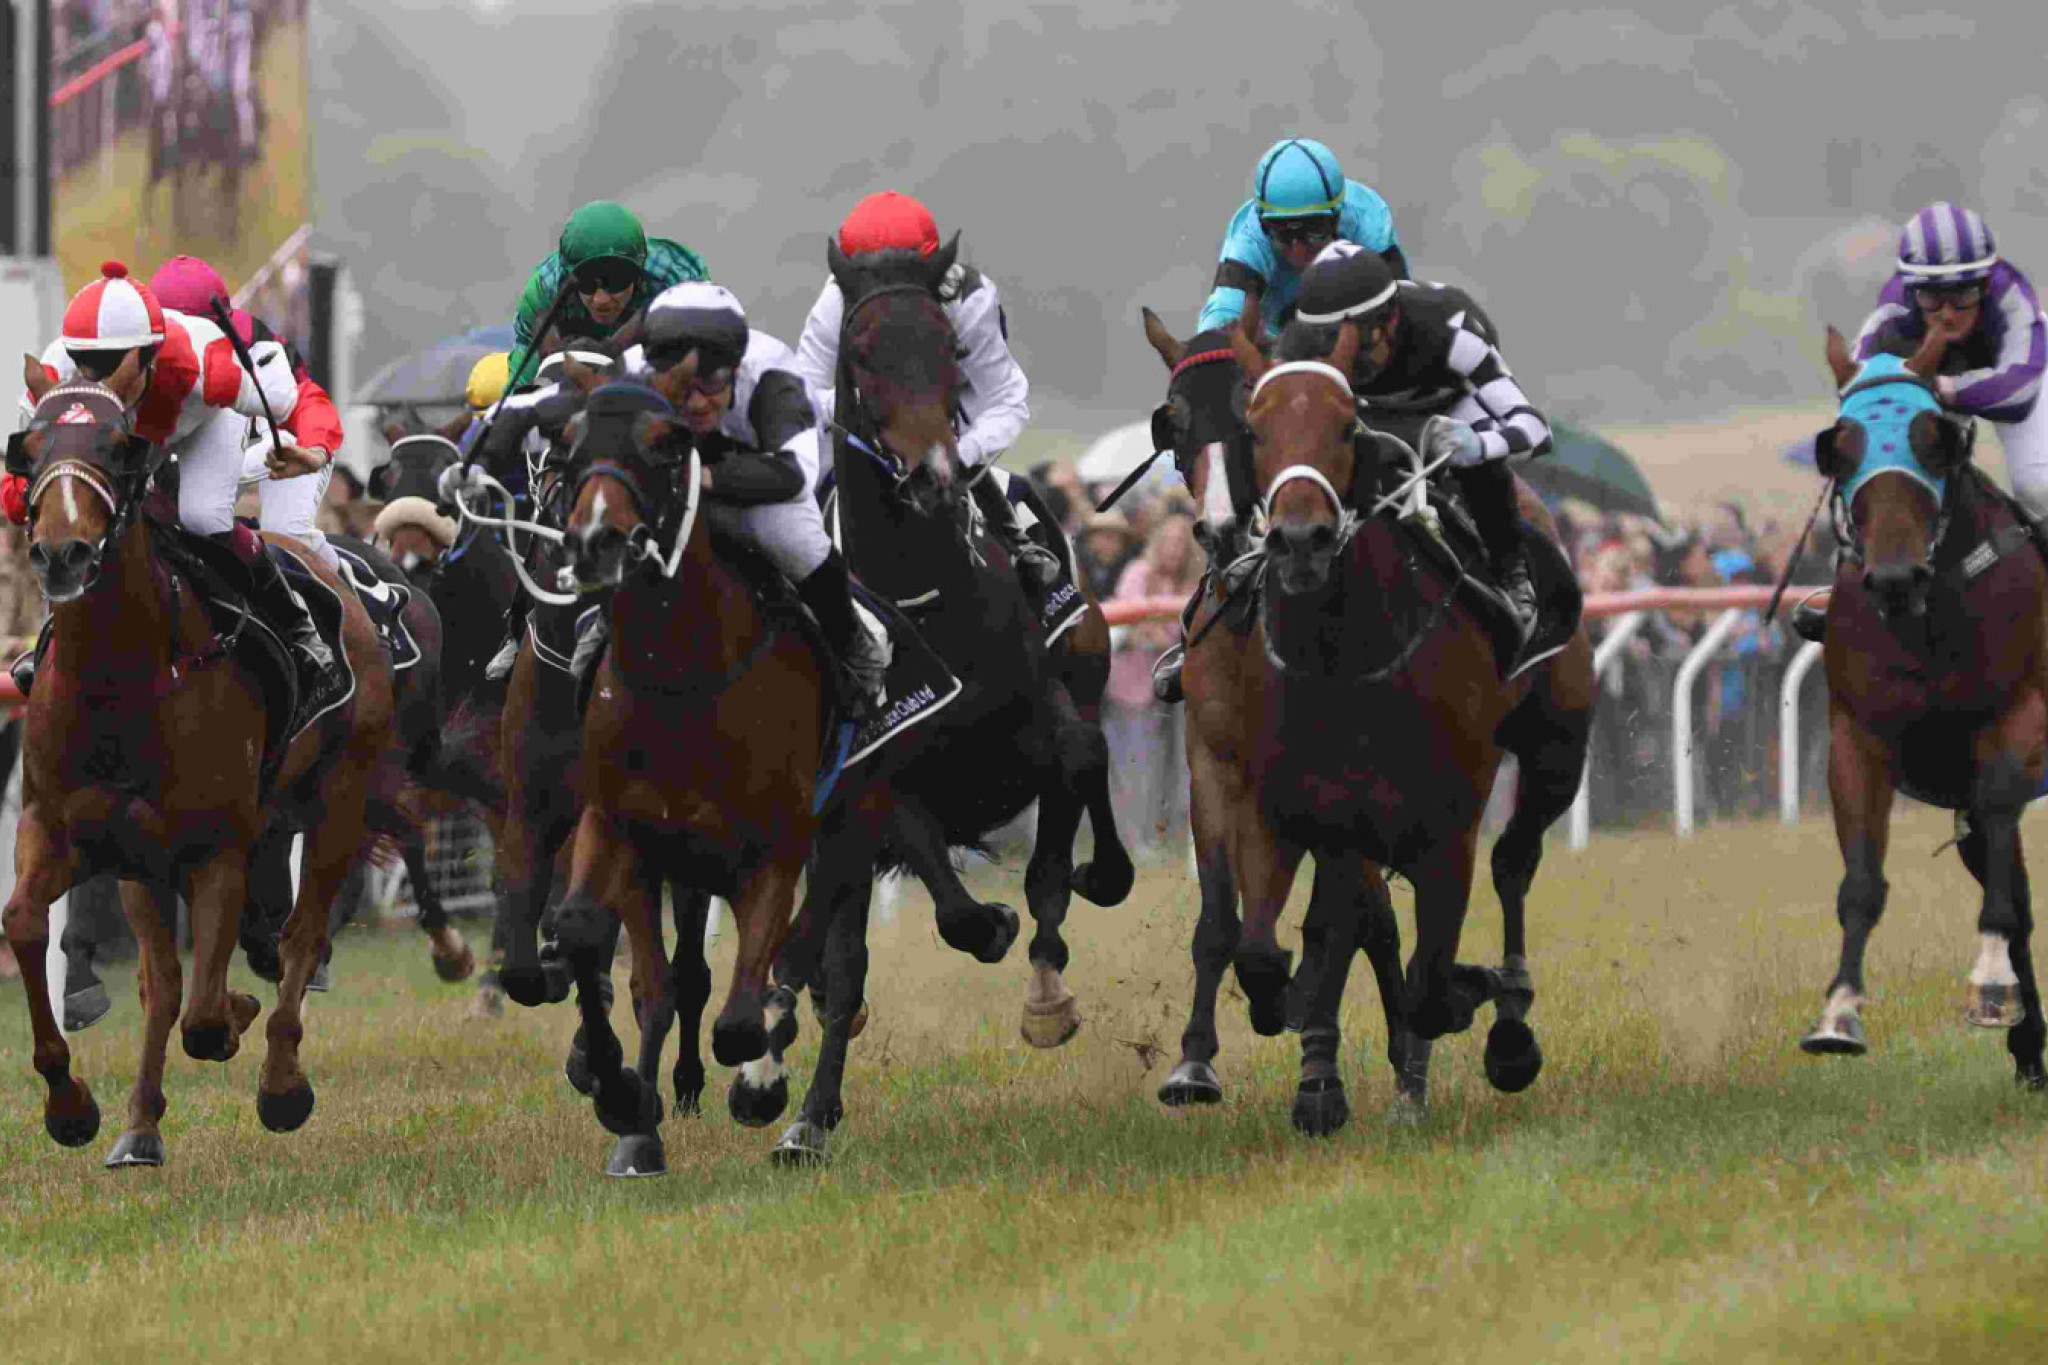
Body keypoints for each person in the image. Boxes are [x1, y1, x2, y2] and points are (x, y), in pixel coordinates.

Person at [1153, 242, 1549, 702]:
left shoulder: (1454, 330)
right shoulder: (1304, 340)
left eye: (1350, 342)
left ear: (1390, 322)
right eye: (1322, 340)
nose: (1337, 352)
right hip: (1359, 412)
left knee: (1483, 462)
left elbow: (1531, 426)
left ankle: (1510, 574)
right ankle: (1217, 597)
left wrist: (1478, 443)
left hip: (1444, 406)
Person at [7, 262, 343, 721]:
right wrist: (24, 495)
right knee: (75, 518)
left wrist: (315, 452)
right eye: (87, 364)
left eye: (112, 365)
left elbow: (303, 399)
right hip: (127, 441)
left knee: (202, 518)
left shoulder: (211, 366)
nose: (95, 380)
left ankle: (298, 626)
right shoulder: (58, 371)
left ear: (150, 353)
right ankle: (56, 638)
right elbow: (21, 468)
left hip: (203, 425)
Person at [790, 191, 1077, 635]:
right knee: (796, 502)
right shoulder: (836, 301)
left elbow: (1006, 400)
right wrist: (864, 414)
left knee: (1011, 489)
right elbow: (803, 392)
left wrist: (961, 455)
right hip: (859, 430)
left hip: (951, 425)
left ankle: (1022, 550)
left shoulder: (970, 297)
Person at [620, 281, 890, 706]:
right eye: (678, 384)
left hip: (765, 483)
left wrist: (702, 479)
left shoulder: (777, 377)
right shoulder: (630, 371)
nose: (694, 402)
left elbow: (794, 474)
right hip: (673, 484)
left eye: (710, 381)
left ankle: (855, 646)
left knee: (794, 540)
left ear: (737, 366)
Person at [147, 255, 349, 576]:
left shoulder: (254, 347)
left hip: (285, 451)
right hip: (224, 459)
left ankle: (353, 598)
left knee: (286, 535)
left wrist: (314, 451)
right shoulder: (140, 354)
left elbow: (309, 403)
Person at [1852, 201, 2048, 511]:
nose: (1947, 315)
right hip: (1935, 377)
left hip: (2015, 378)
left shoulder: (2013, 296)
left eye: (1962, 295)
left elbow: (2020, 393)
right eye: (1932, 296)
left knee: (2037, 485)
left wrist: (1947, 389)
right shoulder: (1893, 308)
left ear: (1986, 285)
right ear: (1912, 289)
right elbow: (1858, 379)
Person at [1196, 137, 1408, 338]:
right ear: (1263, 224)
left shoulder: (1367, 220)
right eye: (1283, 234)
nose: (1298, 252)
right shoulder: (1250, 240)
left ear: (1338, 217)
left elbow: (1403, 313)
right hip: (1275, 340)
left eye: (1314, 231)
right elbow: (1219, 323)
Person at [508, 200, 710, 387]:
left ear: (639, 273)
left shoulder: (678, 282)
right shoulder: (544, 291)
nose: (601, 300)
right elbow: (525, 364)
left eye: (616, 279)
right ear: (569, 275)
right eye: (586, 283)